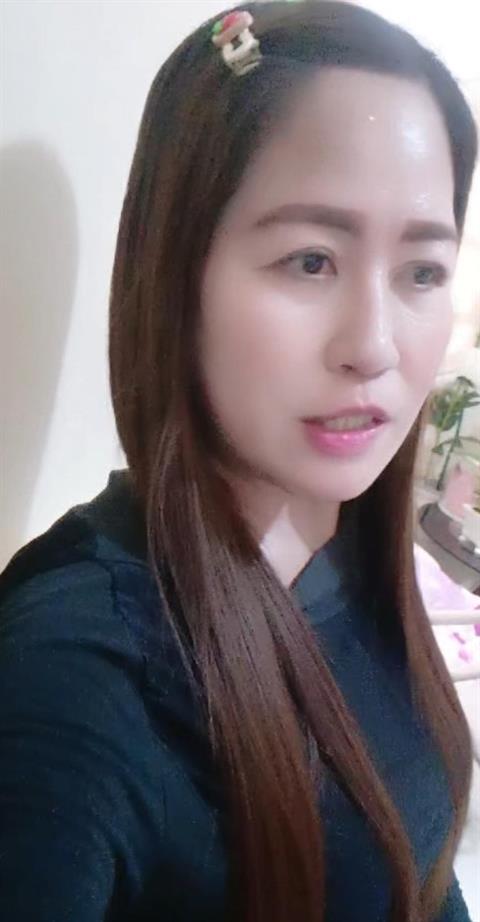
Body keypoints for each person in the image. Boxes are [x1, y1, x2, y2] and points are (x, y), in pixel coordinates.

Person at [0, 2, 478, 920]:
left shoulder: (352, 550)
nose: (374, 346)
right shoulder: (80, 676)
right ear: (178, 277)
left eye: (421, 271)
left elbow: (413, 863)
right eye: (310, 261)